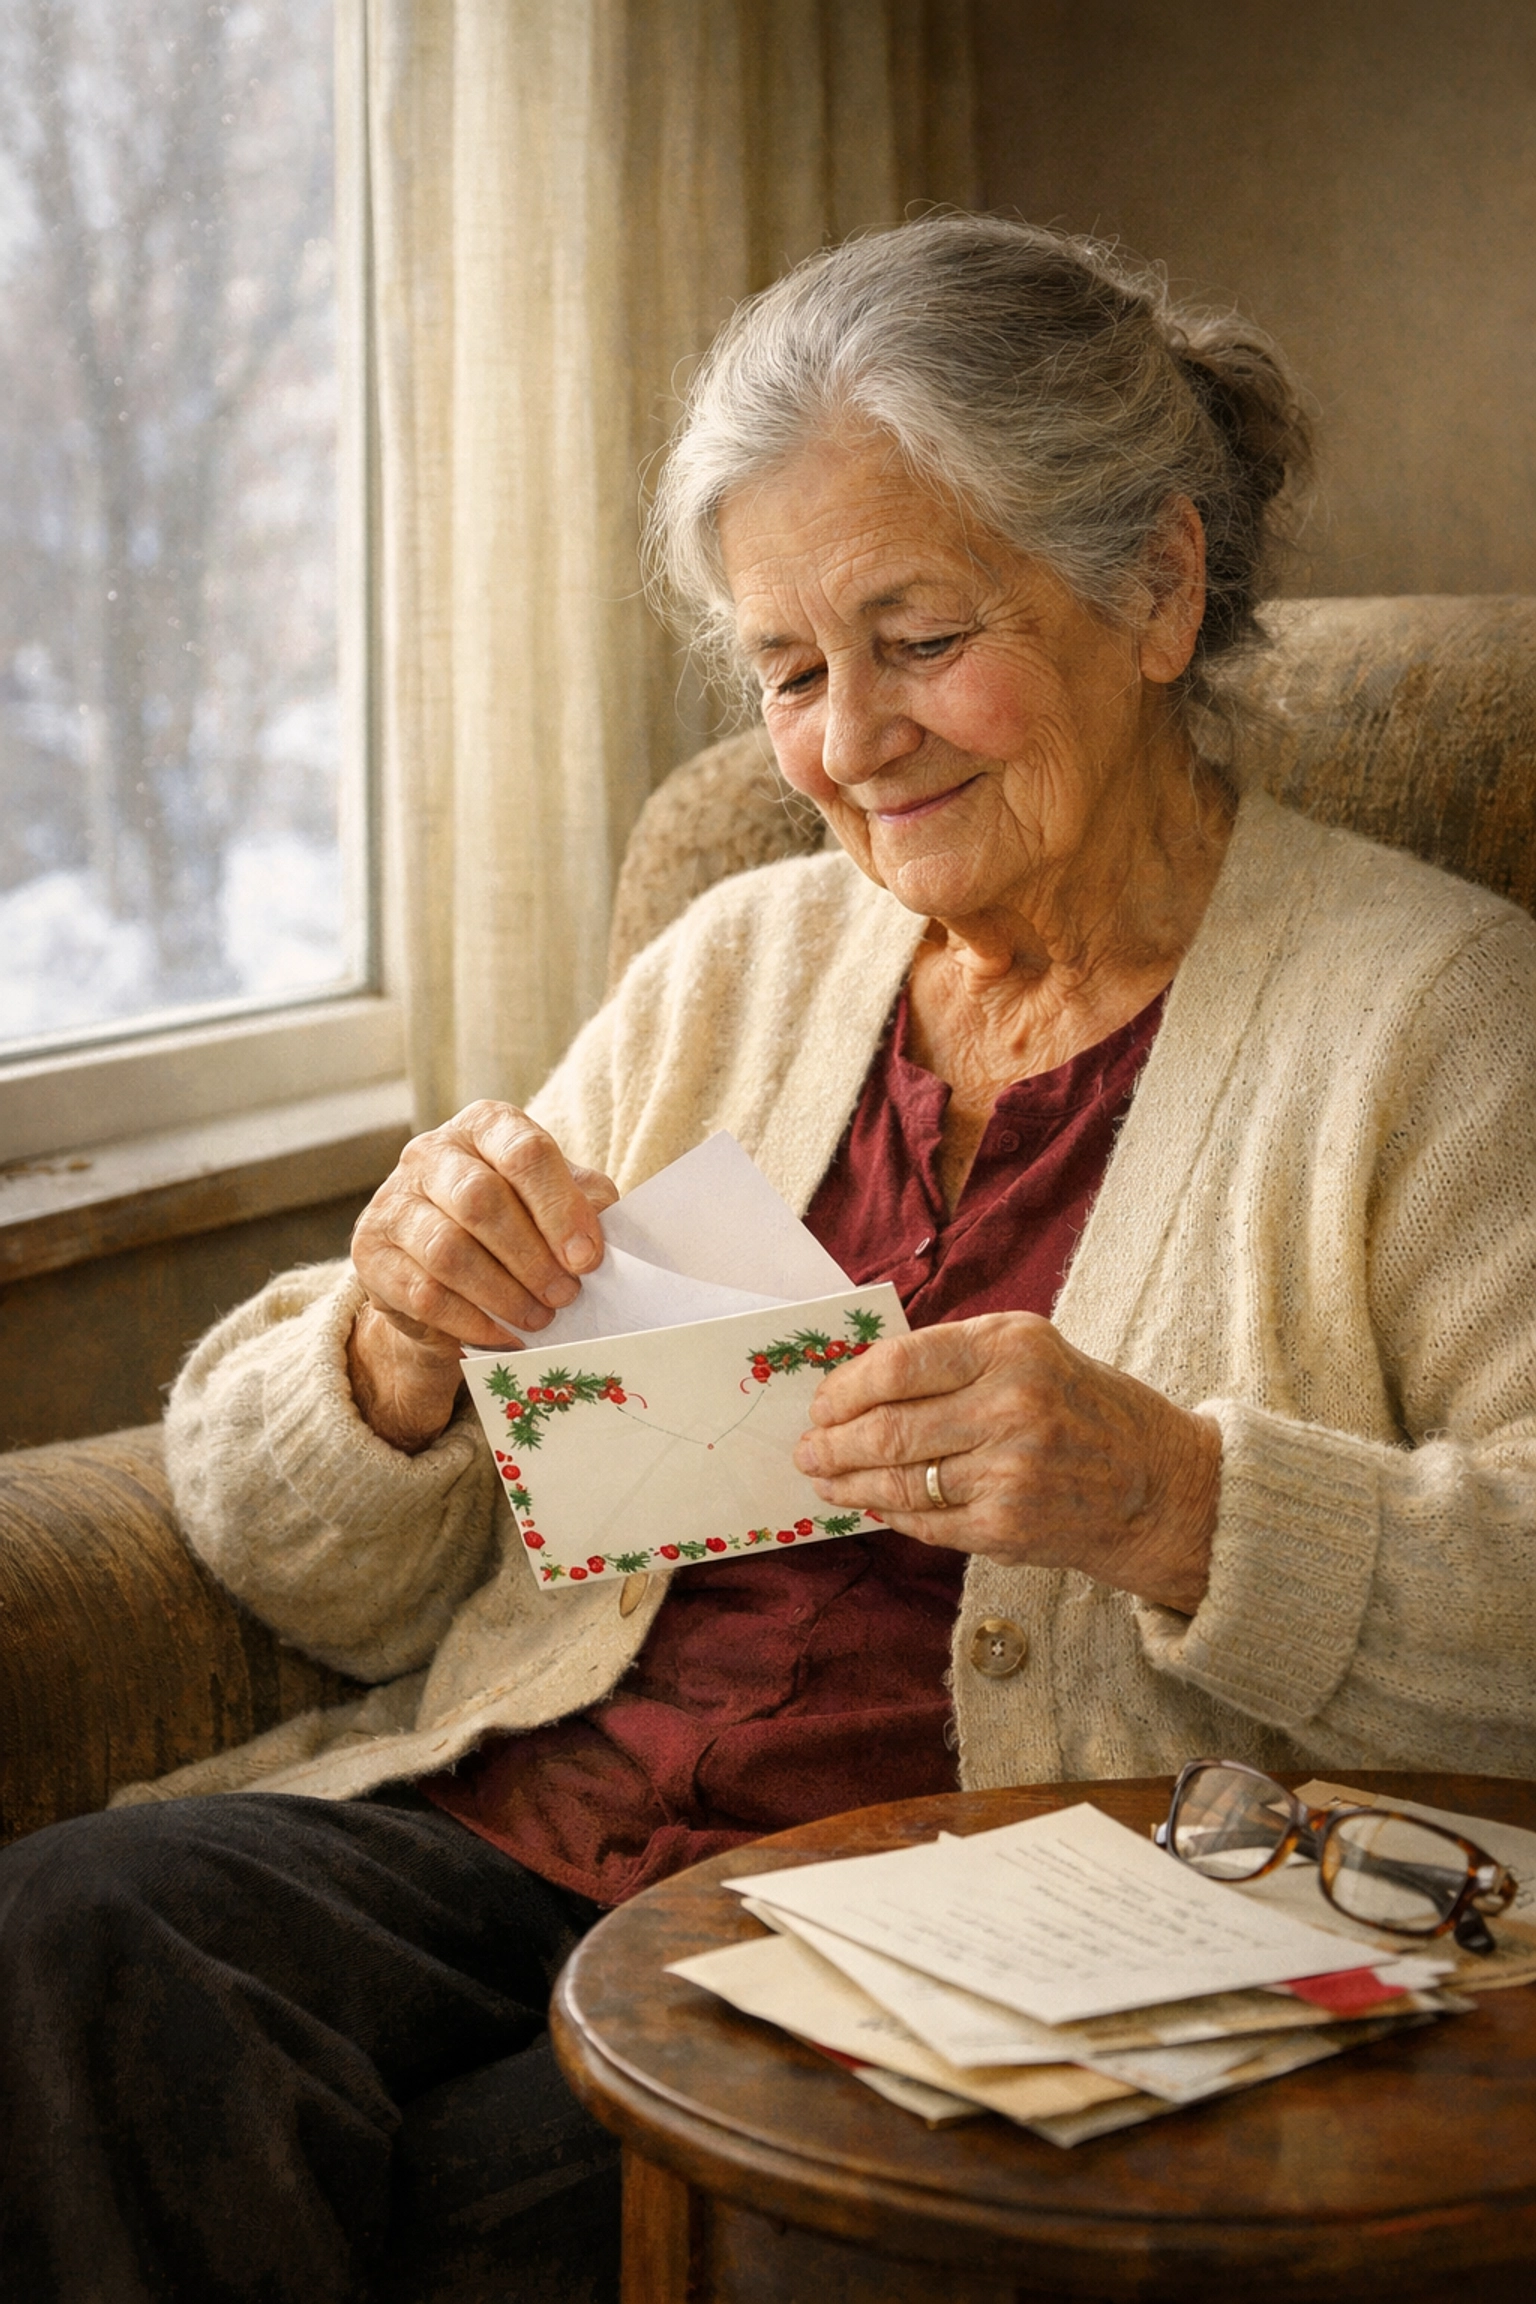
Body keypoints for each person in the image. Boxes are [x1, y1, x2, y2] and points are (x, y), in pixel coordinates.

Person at [4, 215, 1534, 2301]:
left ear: (1157, 587)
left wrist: (1183, 1501)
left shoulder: (1435, 1021)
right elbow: (299, 1565)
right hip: (522, 1825)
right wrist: (388, 1352)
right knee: (78, 1936)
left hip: (960, 1917)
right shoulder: (740, 961)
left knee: (575, 2185)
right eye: (790, 672)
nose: (847, 743)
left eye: (918, 637)